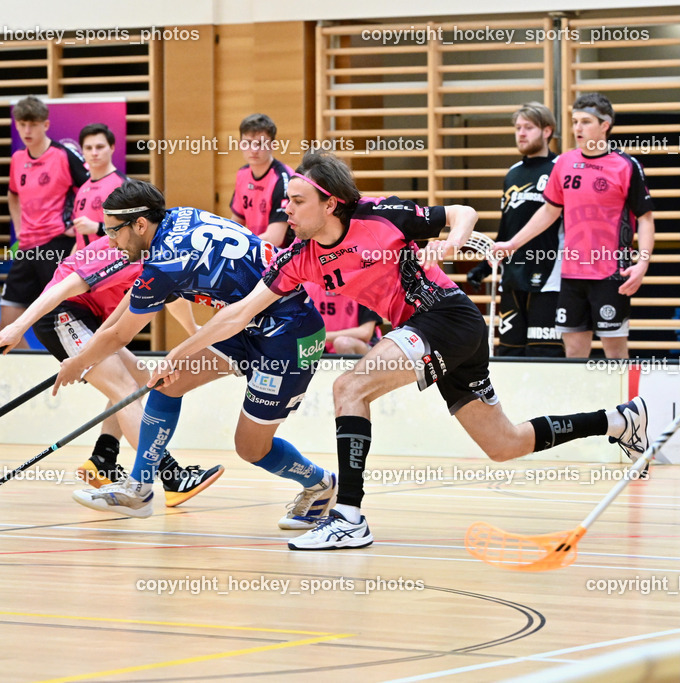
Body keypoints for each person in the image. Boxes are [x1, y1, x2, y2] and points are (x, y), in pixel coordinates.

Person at [149, 152, 650, 551]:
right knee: (505, 444)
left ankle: (348, 516)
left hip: (446, 316)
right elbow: (236, 315)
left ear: (329, 203)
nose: (286, 209)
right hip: (435, 333)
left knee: (350, 386)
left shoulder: (380, 215)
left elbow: (462, 213)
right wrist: (180, 355)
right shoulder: (297, 258)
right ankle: (619, 420)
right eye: (285, 201)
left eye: (296, 200)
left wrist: (448, 243)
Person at [54, 180, 340, 528]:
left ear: (140, 225)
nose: (111, 240)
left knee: (251, 448)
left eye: (114, 231)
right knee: (167, 384)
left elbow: (120, 334)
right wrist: (87, 352)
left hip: (288, 332)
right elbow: (132, 299)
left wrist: (78, 363)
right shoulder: (176, 218)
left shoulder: (164, 262)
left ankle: (322, 483)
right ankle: (139, 489)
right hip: (241, 323)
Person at [0, 234, 224, 506]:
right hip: (62, 315)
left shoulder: (153, 251)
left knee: (138, 376)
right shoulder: (115, 253)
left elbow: (171, 296)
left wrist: (193, 331)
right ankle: (171, 475)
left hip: (89, 318)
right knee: (123, 389)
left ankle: (103, 460)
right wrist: (19, 326)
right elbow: (58, 289)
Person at [494, 93, 655, 359]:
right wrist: (512, 244)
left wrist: (643, 263)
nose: (577, 128)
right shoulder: (565, 163)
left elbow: (645, 218)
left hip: (610, 274)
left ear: (605, 125)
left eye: (586, 121)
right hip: (570, 276)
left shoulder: (626, 166)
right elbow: (548, 211)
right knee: (574, 355)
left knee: (615, 354)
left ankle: (621, 402)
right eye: (575, 121)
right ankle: (582, 404)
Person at [468, 102, 564, 357]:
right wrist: (484, 267)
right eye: (518, 128)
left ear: (547, 131)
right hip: (513, 276)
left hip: (549, 275)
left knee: (544, 353)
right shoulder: (513, 174)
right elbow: (507, 230)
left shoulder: (561, 168)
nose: (521, 133)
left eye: (528, 127)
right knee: (509, 352)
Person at [2, 96, 89, 347]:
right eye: (22, 124)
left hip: (57, 245)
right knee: (8, 323)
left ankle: (78, 371)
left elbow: (90, 188)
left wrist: (76, 224)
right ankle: (27, 376)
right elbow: (12, 194)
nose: (27, 130)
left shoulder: (62, 155)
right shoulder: (18, 158)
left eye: (33, 124)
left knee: (60, 320)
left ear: (46, 125)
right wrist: (19, 228)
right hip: (27, 248)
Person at [229, 113, 294, 248]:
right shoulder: (242, 174)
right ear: (240, 144)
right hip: (256, 248)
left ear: (273, 145)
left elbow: (275, 238)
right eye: (247, 143)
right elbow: (236, 222)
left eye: (260, 143)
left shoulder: (283, 180)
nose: (254, 150)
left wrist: (240, 248)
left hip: (282, 254)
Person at [70, 123, 127, 251]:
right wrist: (69, 263)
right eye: (88, 148)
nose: (94, 153)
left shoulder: (122, 185)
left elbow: (131, 232)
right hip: (84, 265)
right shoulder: (82, 189)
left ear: (112, 147)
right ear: (82, 151)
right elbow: (81, 238)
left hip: (111, 264)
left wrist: (97, 228)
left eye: (99, 147)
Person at [303, 282, 382, 355]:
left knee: (343, 343)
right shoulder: (308, 288)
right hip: (322, 349)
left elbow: (365, 333)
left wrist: (322, 337)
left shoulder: (364, 287)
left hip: (365, 349)